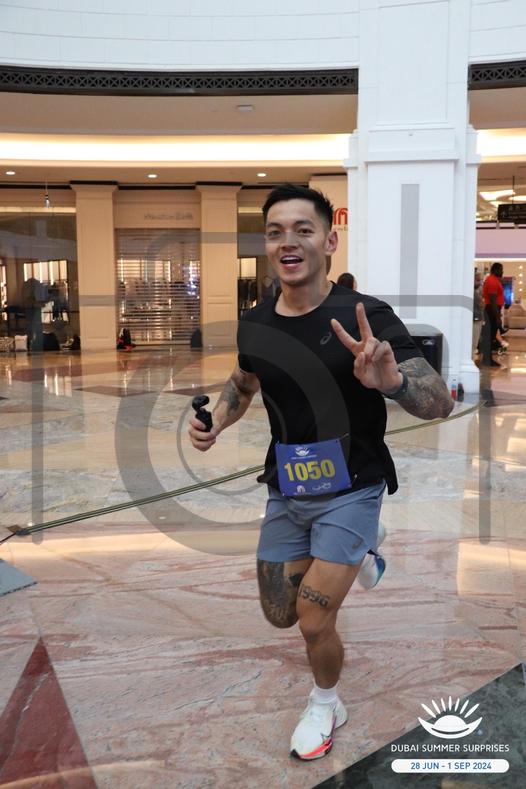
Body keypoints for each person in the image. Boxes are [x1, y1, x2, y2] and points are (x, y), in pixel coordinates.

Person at [188, 183, 453, 761]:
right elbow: (244, 383)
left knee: (312, 619)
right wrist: (217, 422)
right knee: (279, 612)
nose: (289, 242)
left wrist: (393, 382)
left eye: (303, 230)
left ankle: (325, 703)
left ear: (329, 242)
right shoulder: (256, 323)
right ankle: (364, 548)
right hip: (288, 486)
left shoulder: (366, 316)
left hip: (353, 485)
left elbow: (439, 401)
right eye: (276, 232)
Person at [480, 262, 504, 367]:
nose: (502, 271)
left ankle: (487, 359)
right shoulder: (492, 281)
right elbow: (493, 300)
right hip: (491, 309)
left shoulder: (493, 280)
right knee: (489, 336)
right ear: (495, 270)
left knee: (491, 335)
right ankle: (487, 360)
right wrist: (497, 317)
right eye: (501, 269)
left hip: (492, 309)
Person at [472, 270, 484, 356]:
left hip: (477, 318)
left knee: (475, 342)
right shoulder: (473, 292)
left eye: (480, 280)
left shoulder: (476, 291)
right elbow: (481, 304)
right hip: (475, 318)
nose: (479, 283)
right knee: (474, 342)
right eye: (477, 280)